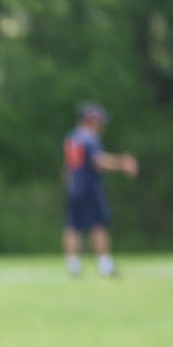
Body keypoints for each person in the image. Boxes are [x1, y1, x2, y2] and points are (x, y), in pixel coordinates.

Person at [62, 101, 137, 278]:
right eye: (99, 120)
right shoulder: (89, 137)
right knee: (99, 225)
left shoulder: (72, 137)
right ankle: (105, 264)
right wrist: (122, 164)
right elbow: (98, 161)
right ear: (90, 119)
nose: (101, 124)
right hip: (89, 188)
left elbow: (67, 168)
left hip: (74, 188)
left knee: (73, 226)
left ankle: (73, 265)